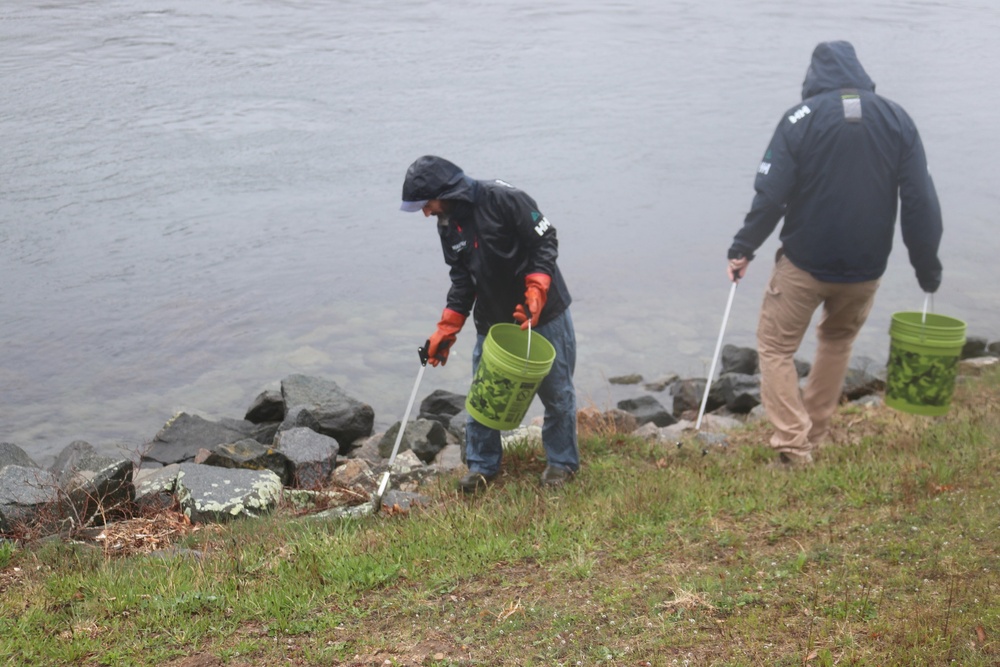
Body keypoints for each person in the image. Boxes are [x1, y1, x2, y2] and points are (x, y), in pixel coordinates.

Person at [726, 41, 943, 467]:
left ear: (814, 78)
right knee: (838, 340)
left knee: (774, 348)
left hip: (804, 262)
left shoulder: (800, 118)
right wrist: (926, 267)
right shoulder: (898, 118)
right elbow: (921, 201)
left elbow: (771, 197)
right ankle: (816, 434)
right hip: (865, 269)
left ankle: (793, 445)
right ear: (860, 73)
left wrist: (743, 247)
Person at [399, 155, 579, 493]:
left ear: (446, 190)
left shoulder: (504, 199)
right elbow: (463, 281)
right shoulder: (448, 224)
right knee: (484, 396)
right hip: (493, 321)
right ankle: (482, 467)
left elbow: (545, 241)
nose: (426, 212)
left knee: (558, 394)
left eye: (427, 203)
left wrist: (537, 290)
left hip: (543, 312)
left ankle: (562, 463)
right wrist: (446, 329)